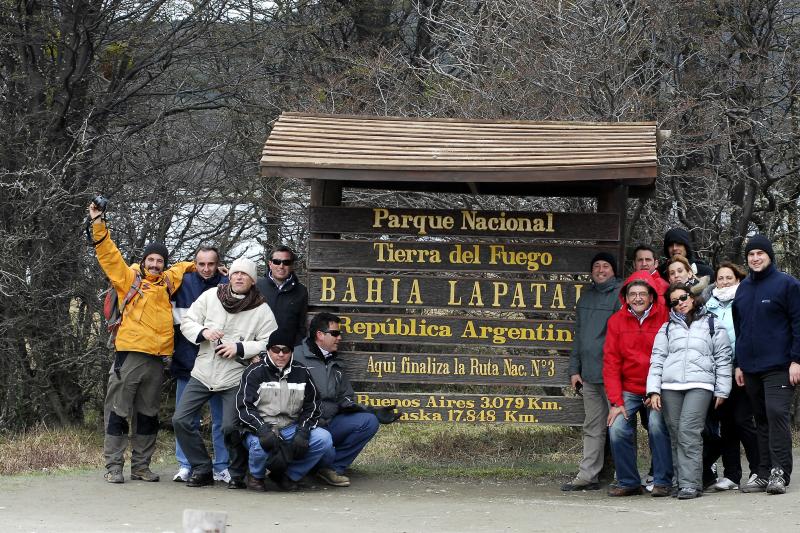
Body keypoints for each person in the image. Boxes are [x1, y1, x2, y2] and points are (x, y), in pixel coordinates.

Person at [88, 202, 195, 484]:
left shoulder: (167, 282)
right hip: (130, 356)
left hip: (158, 359)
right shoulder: (128, 279)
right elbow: (107, 254)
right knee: (118, 412)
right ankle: (113, 467)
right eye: (151, 260)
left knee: (148, 415)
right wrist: (98, 222)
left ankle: (141, 466)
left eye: (160, 260)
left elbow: (184, 267)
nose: (155, 264)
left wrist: (202, 264)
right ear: (144, 260)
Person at [173, 257, 277, 488]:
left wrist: (239, 348)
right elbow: (187, 321)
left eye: (245, 275)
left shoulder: (261, 308)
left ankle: (237, 474)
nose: (239, 277)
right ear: (230, 276)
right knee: (180, 419)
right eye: (236, 273)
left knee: (231, 427)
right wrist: (204, 332)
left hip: (235, 376)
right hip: (203, 371)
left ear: (252, 281)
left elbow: (270, 342)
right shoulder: (211, 296)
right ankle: (201, 468)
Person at [647, 282, 733, 499]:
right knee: (676, 434)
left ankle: (691, 484)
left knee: (688, 430)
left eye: (683, 298)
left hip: (700, 385)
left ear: (692, 297)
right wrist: (653, 391)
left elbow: (723, 358)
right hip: (670, 387)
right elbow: (657, 361)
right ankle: (680, 481)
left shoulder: (712, 323)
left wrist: (722, 390)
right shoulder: (666, 328)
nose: (680, 304)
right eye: (674, 302)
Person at [293, 312, 399, 487]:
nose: (339, 338)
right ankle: (297, 469)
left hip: (330, 422)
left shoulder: (336, 363)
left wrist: (370, 411)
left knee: (369, 422)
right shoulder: (295, 356)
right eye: (335, 333)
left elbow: (346, 398)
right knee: (321, 440)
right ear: (320, 335)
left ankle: (331, 469)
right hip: (304, 424)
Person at [733, 235, 800, 495]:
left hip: (780, 366)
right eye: (751, 254)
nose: (755, 258)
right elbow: (740, 330)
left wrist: (797, 359)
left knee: (776, 415)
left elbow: (798, 324)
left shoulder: (787, 284)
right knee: (760, 418)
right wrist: (739, 364)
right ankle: (762, 472)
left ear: (770, 256)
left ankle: (779, 472)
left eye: (760, 253)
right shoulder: (743, 288)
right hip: (750, 367)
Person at [603, 271, 673, 497]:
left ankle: (662, 481)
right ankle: (628, 481)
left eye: (643, 293)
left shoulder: (666, 316)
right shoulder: (616, 321)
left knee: (656, 425)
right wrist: (615, 401)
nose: (638, 298)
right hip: (629, 388)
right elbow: (611, 362)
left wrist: (659, 389)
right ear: (625, 297)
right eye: (632, 294)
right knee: (617, 428)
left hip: (658, 387)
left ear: (652, 296)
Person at [236, 329, 332, 491]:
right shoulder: (254, 372)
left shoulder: (301, 371)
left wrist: (304, 430)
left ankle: (288, 475)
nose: (281, 354)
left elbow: (313, 405)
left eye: (286, 350)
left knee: (324, 439)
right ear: (268, 350)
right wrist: (262, 429)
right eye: (276, 350)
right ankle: (256, 476)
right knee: (260, 445)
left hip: (290, 425)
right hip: (260, 427)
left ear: (291, 352)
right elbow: (244, 407)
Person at [561, 253, 621, 491]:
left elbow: (620, 336)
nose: (600, 269)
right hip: (589, 375)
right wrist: (574, 369)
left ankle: (624, 475)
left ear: (613, 271)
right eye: (596, 266)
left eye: (605, 266)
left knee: (619, 427)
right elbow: (579, 337)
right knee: (592, 426)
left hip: (612, 374)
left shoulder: (620, 295)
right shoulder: (584, 297)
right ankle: (587, 476)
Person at [171, 246, 230, 483]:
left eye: (211, 264)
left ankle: (222, 466)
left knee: (221, 420)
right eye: (201, 264)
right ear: (193, 264)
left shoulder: (228, 283)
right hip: (187, 361)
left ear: (218, 264)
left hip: (220, 364)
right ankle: (186, 464)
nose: (206, 269)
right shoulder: (180, 283)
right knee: (186, 419)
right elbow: (153, 274)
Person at [702, 262, 759, 492]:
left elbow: (749, 333)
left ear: (738, 279)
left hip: (742, 369)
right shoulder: (708, 305)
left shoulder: (745, 300)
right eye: (720, 278)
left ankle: (758, 469)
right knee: (726, 424)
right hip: (718, 371)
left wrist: (741, 364)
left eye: (729, 278)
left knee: (743, 420)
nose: (724, 282)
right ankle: (732, 474)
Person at [256, 245, 308, 345]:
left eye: (286, 262)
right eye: (276, 262)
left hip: (288, 351)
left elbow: (301, 326)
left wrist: (296, 349)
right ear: (270, 264)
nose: (281, 266)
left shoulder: (301, 291)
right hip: (259, 348)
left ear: (292, 266)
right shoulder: (256, 286)